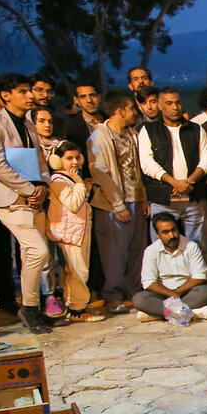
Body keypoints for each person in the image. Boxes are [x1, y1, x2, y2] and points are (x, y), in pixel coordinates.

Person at [0, 73, 55, 333]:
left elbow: (41, 160)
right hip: (9, 199)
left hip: (33, 199)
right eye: (23, 91)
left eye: (29, 91)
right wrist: (27, 189)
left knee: (30, 255)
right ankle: (28, 308)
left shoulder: (28, 124)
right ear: (5, 95)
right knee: (38, 251)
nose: (30, 96)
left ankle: (32, 309)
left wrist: (43, 185)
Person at [89, 91, 149, 313]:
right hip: (113, 204)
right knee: (114, 252)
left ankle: (134, 292)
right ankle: (113, 294)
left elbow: (137, 169)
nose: (134, 112)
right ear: (120, 110)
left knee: (136, 249)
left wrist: (142, 198)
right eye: (131, 108)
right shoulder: (100, 136)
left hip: (134, 199)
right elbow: (100, 172)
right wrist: (118, 204)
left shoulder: (132, 133)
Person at [138, 87, 207, 244]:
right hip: (163, 198)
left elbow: (206, 161)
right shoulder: (149, 130)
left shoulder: (195, 129)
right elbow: (147, 164)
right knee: (162, 245)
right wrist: (174, 183)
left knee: (196, 245)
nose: (175, 107)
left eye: (178, 103)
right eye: (169, 103)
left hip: (193, 196)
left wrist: (188, 182)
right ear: (159, 105)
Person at [44, 143, 102, 323]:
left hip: (78, 231)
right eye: (69, 158)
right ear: (57, 161)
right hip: (70, 234)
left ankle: (74, 306)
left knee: (75, 271)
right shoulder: (59, 180)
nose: (75, 162)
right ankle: (77, 309)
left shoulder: (70, 179)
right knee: (78, 271)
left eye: (77, 157)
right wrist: (79, 185)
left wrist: (84, 188)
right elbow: (73, 204)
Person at [133, 211, 207, 322]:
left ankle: (159, 314)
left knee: (205, 292)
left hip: (186, 293)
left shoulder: (191, 247)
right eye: (165, 232)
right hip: (163, 295)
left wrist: (178, 292)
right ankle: (192, 313)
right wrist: (170, 293)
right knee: (139, 299)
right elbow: (148, 282)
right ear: (158, 235)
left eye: (173, 230)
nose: (171, 235)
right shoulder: (151, 251)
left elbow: (199, 277)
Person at [60, 81, 104, 154]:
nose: (89, 100)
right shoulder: (71, 128)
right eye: (83, 97)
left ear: (99, 97)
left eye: (92, 95)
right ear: (76, 100)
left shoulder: (111, 119)